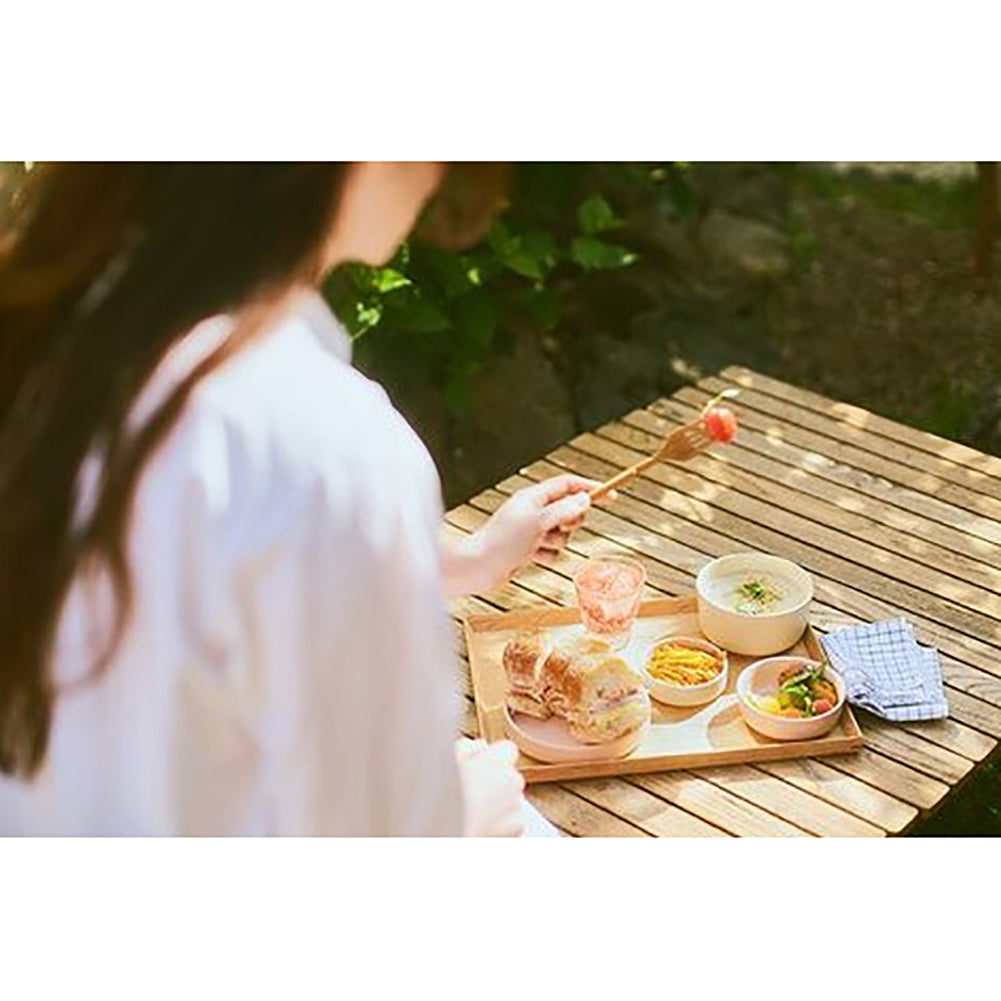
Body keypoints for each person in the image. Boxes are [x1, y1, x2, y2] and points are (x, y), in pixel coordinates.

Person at [0, 162, 602, 835]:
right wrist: (466, 815)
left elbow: (171, 606)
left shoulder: (57, 334)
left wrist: (471, 561)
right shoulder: (325, 444)